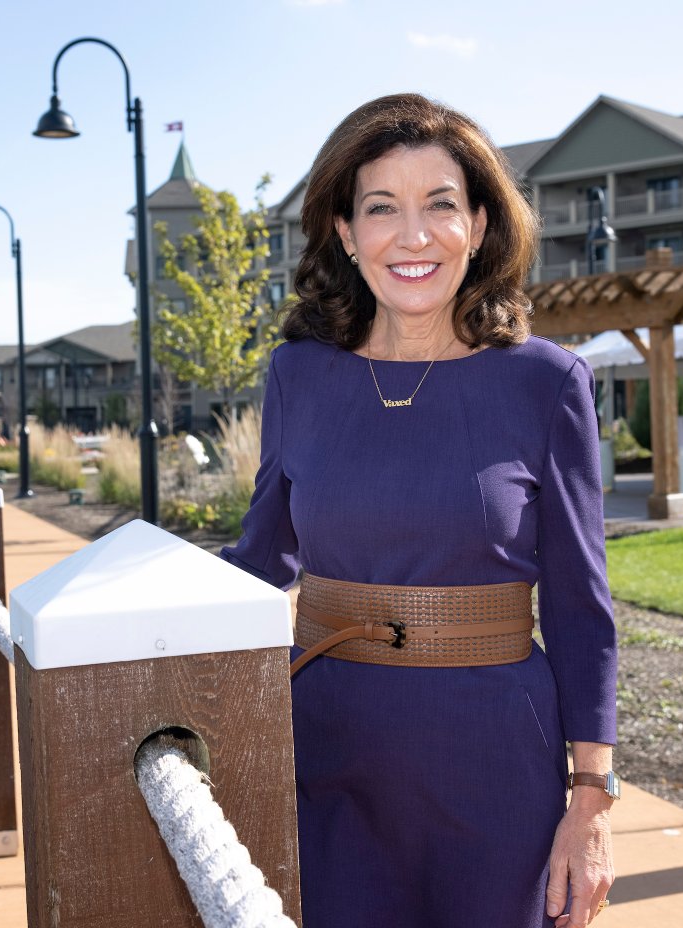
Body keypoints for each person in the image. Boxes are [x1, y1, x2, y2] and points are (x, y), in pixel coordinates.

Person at [220, 93, 618, 928]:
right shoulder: (300, 375)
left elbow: (582, 607)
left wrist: (590, 802)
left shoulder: (547, 384)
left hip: (497, 759)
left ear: (478, 225)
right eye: (381, 209)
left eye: (440, 205)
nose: (413, 235)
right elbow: (262, 559)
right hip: (327, 746)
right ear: (343, 231)